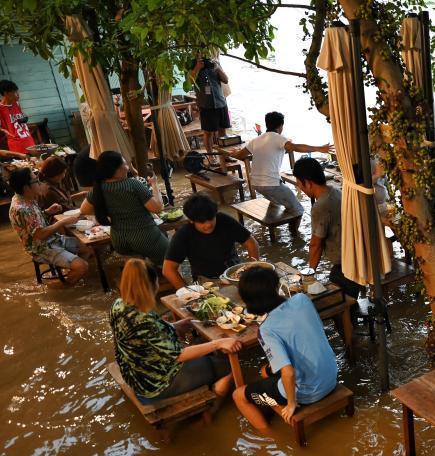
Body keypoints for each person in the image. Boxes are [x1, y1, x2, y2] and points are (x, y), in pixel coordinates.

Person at [110, 258, 240, 404]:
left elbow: (143, 337)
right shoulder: (144, 320)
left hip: (135, 375)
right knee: (231, 365)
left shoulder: (118, 305)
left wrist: (175, 326)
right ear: (151, 285)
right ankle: (212, 409)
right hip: (155, 385)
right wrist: (218, 343)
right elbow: (179, 355)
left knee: (206, 349)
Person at [232, 267, 338, 434]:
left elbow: (288, 372)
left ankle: (270, 438)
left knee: (238, 395)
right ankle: (270, 400)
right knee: (265, 371)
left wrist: (291, 404)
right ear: (276, 286)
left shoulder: (266, 329)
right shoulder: (302, 299)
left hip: (308, 392)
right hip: (331, 375)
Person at [230, 111, 332, 226]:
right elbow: (295, 147)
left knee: (277, 202)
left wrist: (233, 153)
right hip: (271, 185)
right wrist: (319, 148)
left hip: (256, 184)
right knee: (298, 210)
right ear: (280, 126)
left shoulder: (256, 140)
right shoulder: (279, 138)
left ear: (267, 124)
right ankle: (294, 236)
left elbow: (240, 155)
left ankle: (276, 227)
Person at [292, 156, 364, 300]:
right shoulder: (336, 191)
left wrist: (309, 273)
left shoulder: (321, 206)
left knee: (337, 304)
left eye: (299, 184)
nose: (300, 188)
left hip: (346, 265)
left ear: (308, 183)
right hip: (358, 256)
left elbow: (315, 245)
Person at [79, 150, 169, 265]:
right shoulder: (132, 184)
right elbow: (157, 208)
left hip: (119, 240)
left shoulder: (98, 188)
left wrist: (109, 212)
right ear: (115, 169)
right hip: (145, 236)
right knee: (172, 260)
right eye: (125, 164)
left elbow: (84, 210)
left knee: (136, 269)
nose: (127, 167)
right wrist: (154, 184)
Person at [7, 168, 90, 284]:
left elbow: (33, 222)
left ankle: (70, 269)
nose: (40, 183)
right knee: (82, 266)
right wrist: (61, 222)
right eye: (36, 181)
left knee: (87, 248)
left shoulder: (25, 197)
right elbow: (39, 234)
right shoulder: (21, 208)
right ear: (26, 187)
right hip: (41, 248)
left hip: (52, 239)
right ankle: (62, 290)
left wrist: (47, 212)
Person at [163, 193, 260, 289]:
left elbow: (251, 243)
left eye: (211, 218)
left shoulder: (225, 220)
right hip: (206, 281)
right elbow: (168, 269)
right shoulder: (184, 234)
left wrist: (252, 270)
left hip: (234, 273)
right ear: (191, 220)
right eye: (201, 222)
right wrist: (187, 292)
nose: (208, 225)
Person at [189, 55, 230, 157]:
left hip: (221, 102)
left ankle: (225, 156)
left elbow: (226, 80)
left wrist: (218, 68)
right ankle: (211, 156)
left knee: (223, 130)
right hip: (206, 104)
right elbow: (189, 82)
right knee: (208, 133)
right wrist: (197, 67)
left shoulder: (214, 62)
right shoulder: (193, 63)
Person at [0, 80, 36, 155]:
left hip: (30, 141)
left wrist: (25, 117)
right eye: (15, 92)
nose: (18, 94)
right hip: (17, 146)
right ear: (6, 93)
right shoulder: (1, 108)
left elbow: (18, 117)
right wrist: (4, 131)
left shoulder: (16, 103)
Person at [37, 156, 73, 220]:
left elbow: (64, 200)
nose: (63, 176)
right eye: (62, 173)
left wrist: (78, 195)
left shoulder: (49, 182)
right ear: (54, 174)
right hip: (59, 221)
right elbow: (66, 208)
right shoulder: (49, 191)